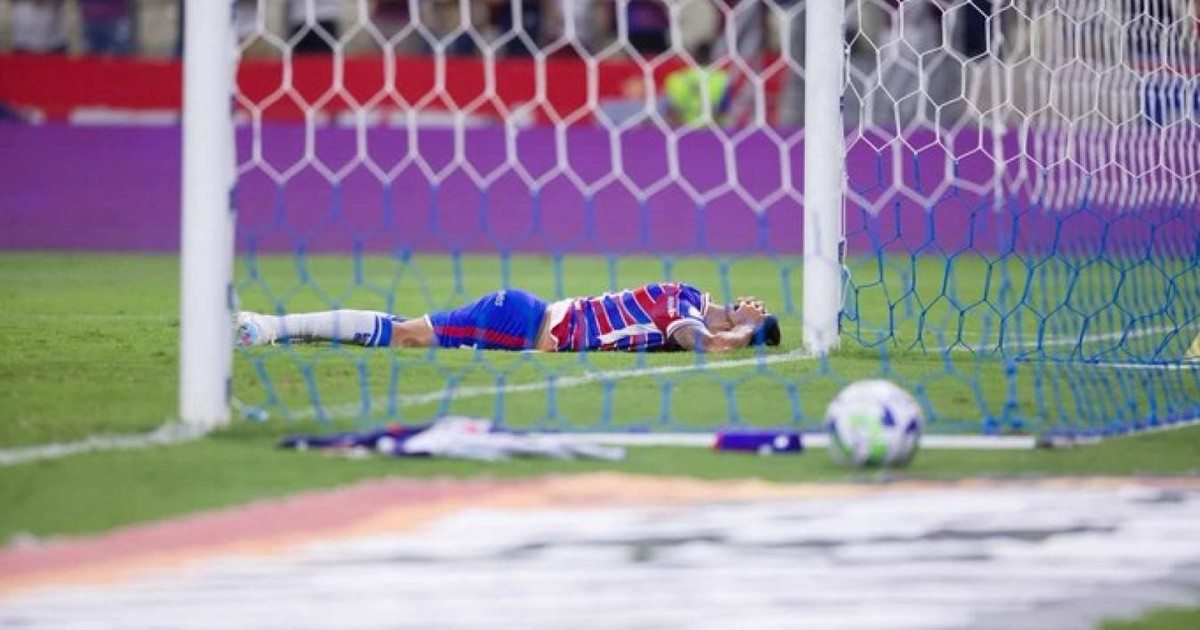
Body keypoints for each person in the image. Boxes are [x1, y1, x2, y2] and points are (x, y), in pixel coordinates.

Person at [236, 282, 781, 354]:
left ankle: (274, 327)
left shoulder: (685, 301)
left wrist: (744, 326)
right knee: (406, 336)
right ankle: (269, 327)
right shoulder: (680, 306)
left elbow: (710, 334)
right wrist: (748, 327)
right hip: (524, 323)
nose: (753, 310)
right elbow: (709, 345)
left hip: (525, 319)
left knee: (404, 329)